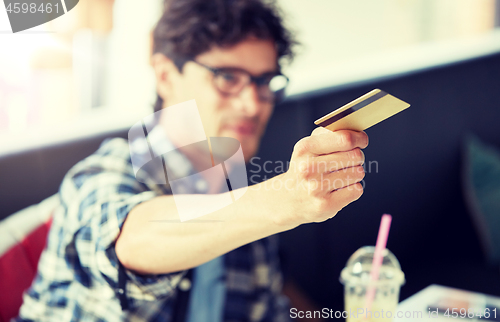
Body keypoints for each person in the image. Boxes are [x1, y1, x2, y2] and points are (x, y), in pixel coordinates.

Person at [16, 0, 368, 321]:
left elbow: (270, 304)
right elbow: (130, 242)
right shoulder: (103, 173)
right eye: (227, 77)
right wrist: (282, 201)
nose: (252, 104)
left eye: (264, 81)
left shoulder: (246, 204)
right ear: (166, 75)